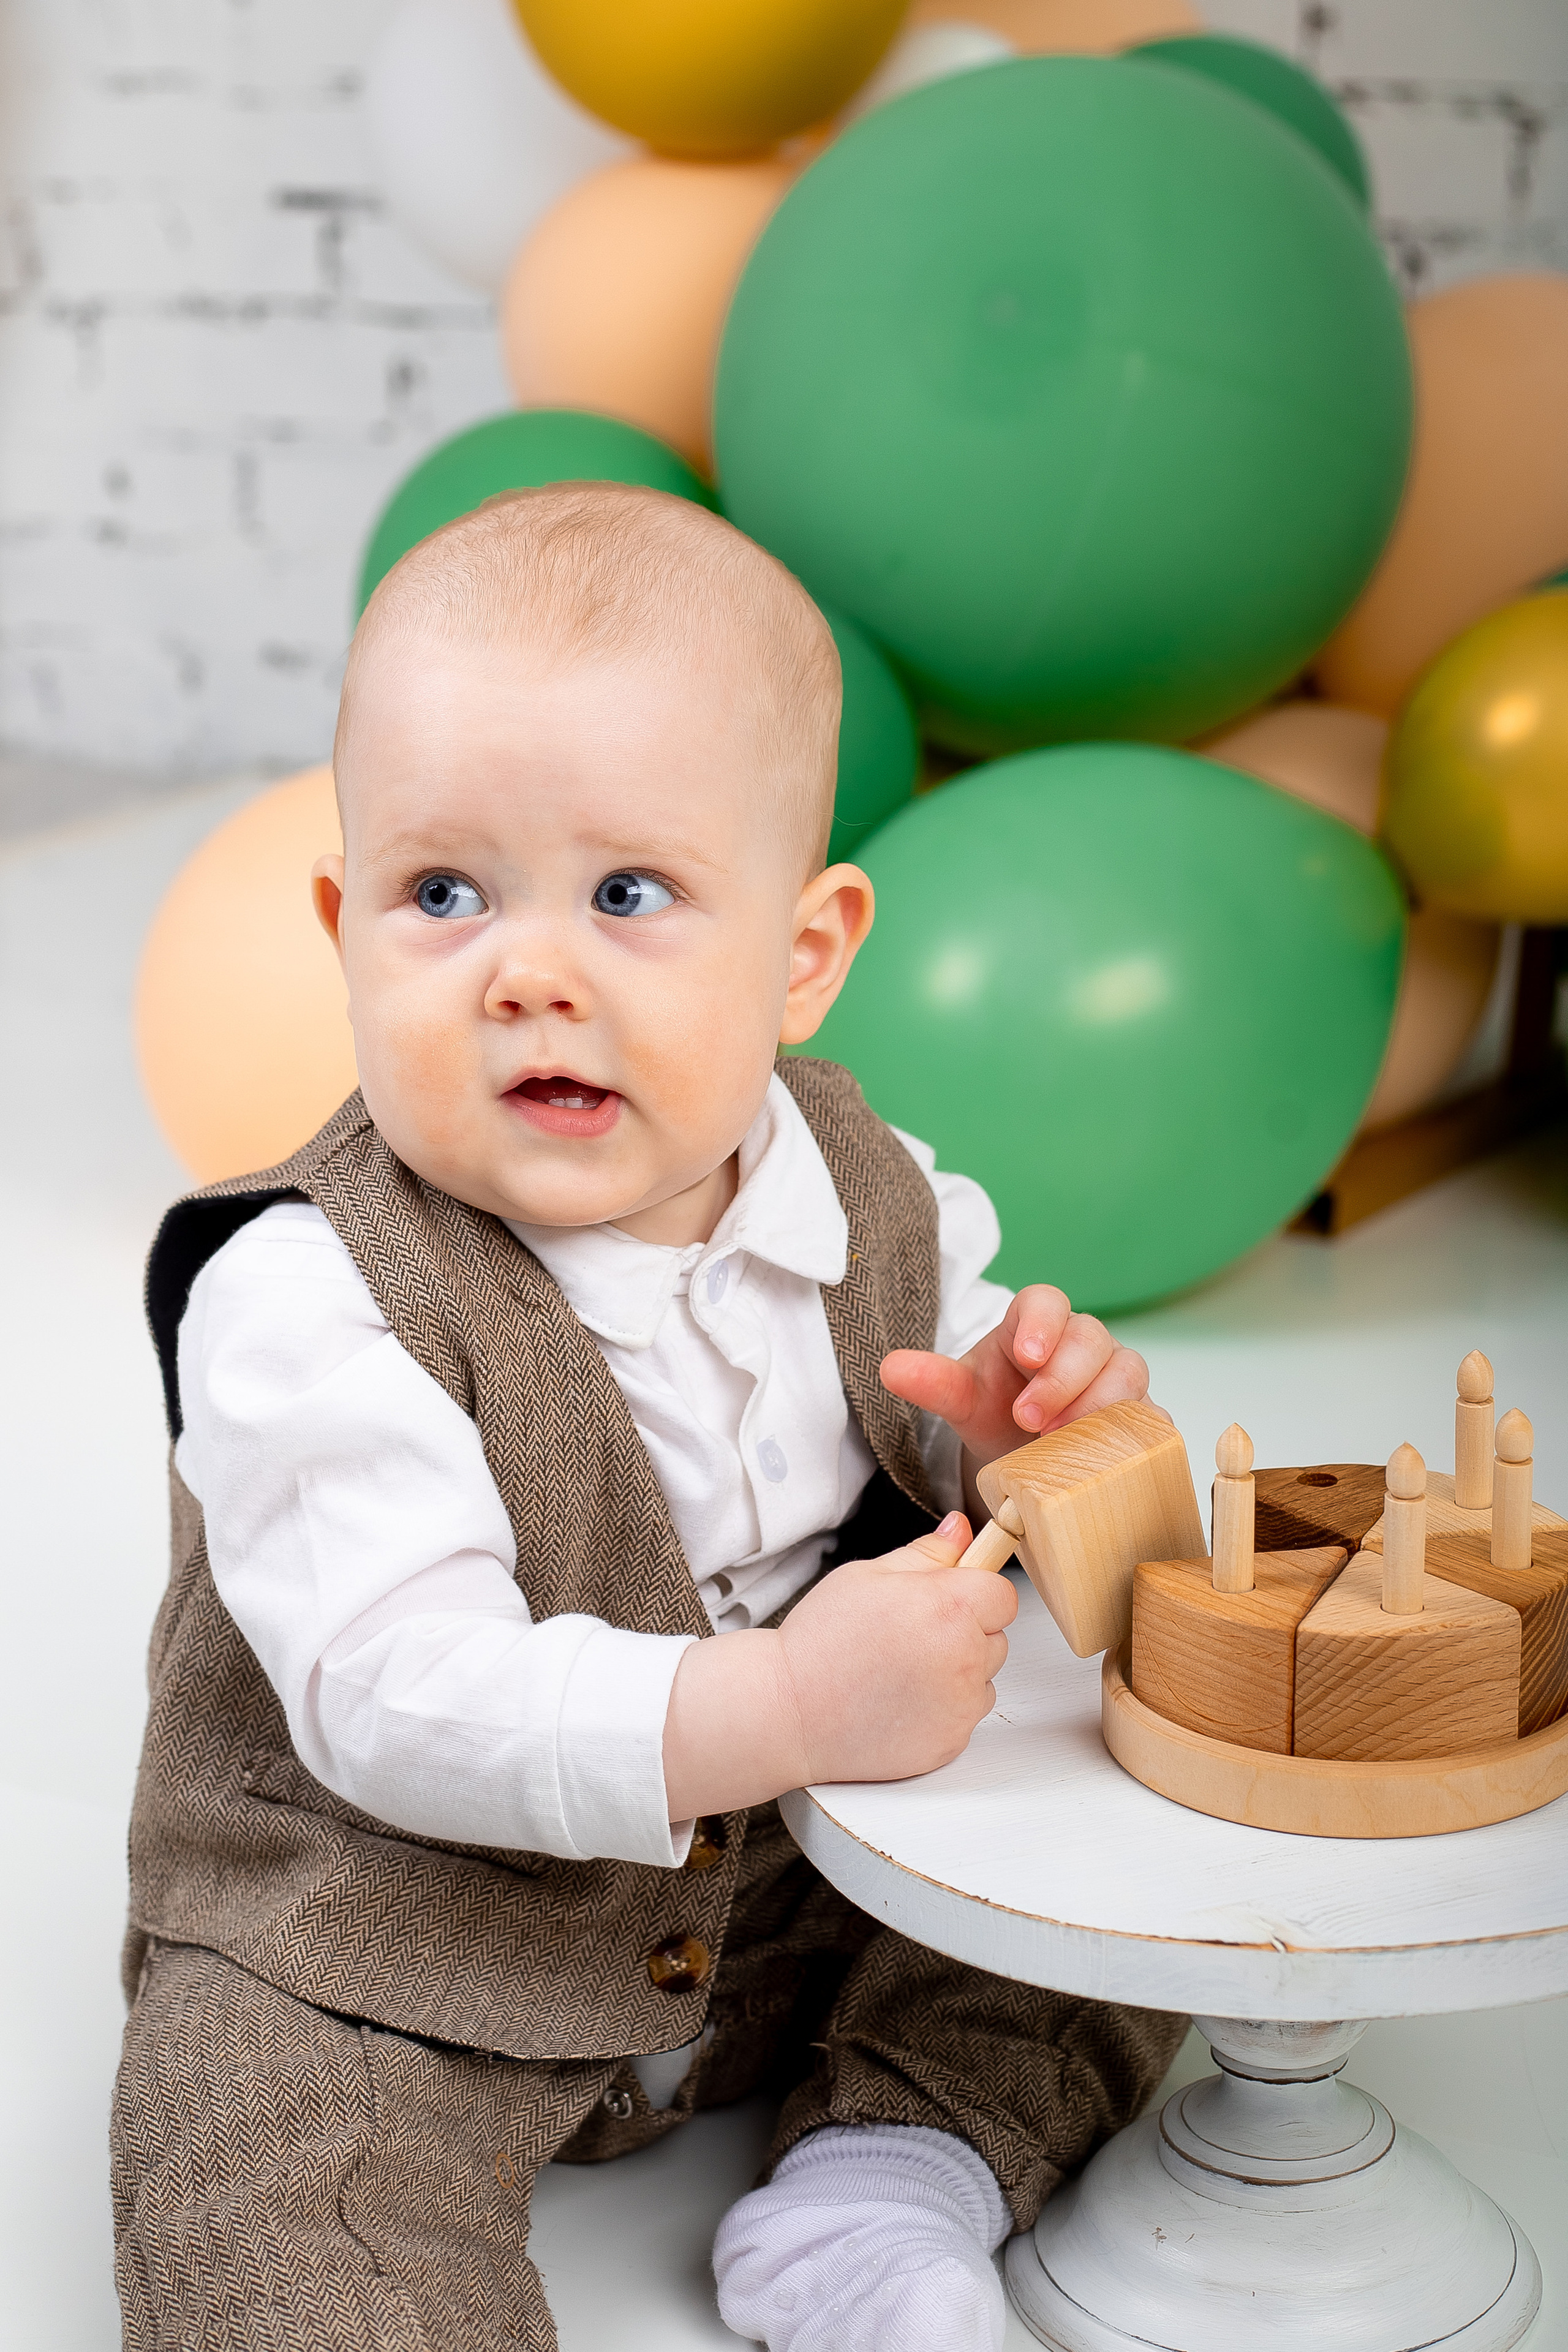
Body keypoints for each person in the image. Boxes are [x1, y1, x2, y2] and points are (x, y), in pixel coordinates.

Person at [112, 483, 1185, 2352]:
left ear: (803, 951)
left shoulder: (882, 1201)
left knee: (1124, 1899)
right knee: (262, 2164)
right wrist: (778, 1707)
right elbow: (392, 1692)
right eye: (442, 893)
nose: (531, 968)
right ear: (340, 925)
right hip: (394, 1929)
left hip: (785, 1894)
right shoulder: (305, 1293)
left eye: (628, 894)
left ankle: (889, 2185)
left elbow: (940, 1464)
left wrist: (1012, 1445)